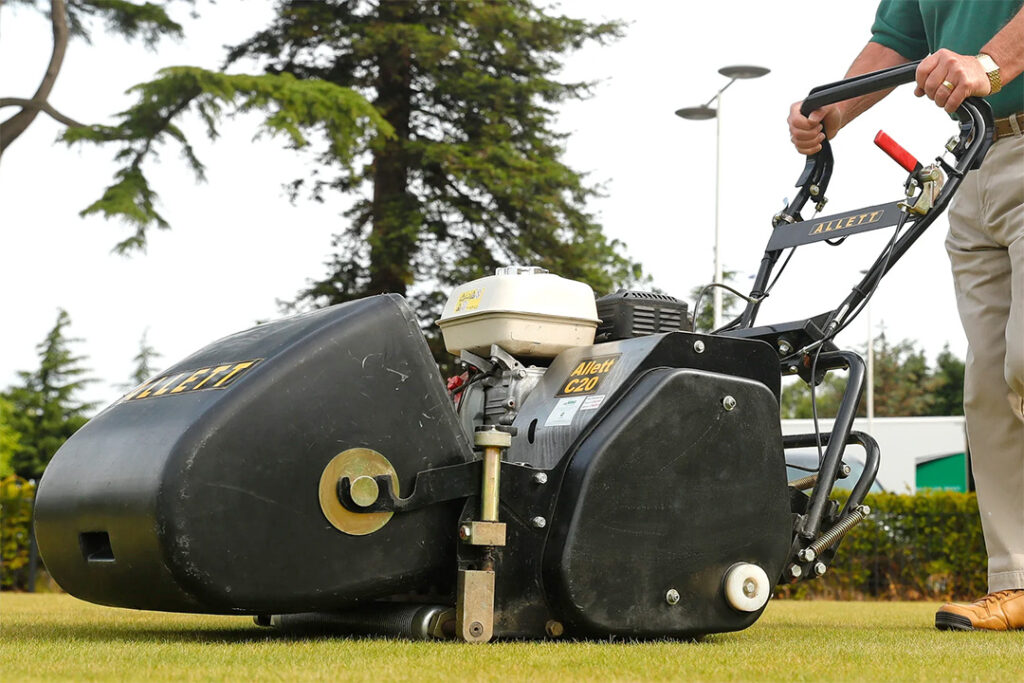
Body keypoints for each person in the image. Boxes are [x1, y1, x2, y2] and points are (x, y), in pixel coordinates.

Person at [788, 0, 1024, 631]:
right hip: (975, 161)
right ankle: (1017, 580)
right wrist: (834, 106)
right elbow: (897, 39)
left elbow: (982, 62)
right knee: (988, 386)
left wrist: (986, 64)